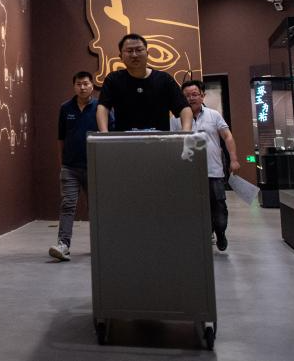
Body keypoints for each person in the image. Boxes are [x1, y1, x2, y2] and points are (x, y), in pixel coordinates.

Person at [180, 79, 240, 251]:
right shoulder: (177, 119)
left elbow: (227, 136)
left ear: (202, 95)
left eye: (194, 94)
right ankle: (205, 235)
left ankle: (220, 232)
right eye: (186, 96)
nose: (191, 98)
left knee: (218, 207)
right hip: (189, 173)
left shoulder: (214, 115)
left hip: (213, 171)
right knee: (194, 208)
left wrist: (233, 159)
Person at [96, 33, 192, 133]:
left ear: (147, 53)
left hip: (159, 140)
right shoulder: (113, 79)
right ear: (121, 56)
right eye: (129, 51)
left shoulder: (164, 79)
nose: (134, 55)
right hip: (124, 140)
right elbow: (103, 107)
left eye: (139, 50)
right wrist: (104, 133)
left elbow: (184, 108)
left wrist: (186, 133)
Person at [48, 71, 97, 261]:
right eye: (78, 84)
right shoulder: (65, 108)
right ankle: (63, 245)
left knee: (96, 208)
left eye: (85, 83)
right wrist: (62, 163)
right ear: (74, 86)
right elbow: (61, 137)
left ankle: (99, 244)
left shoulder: (100, 107)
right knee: (67, 205)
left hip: (94, 166)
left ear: (92, 85)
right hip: (70, 168)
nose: (82, 87)